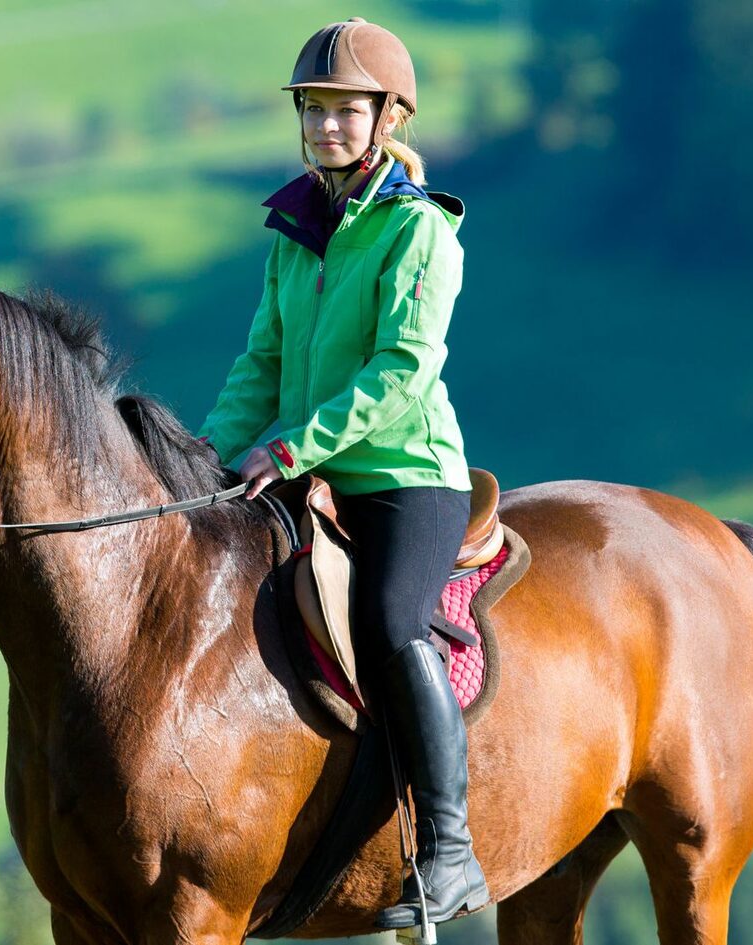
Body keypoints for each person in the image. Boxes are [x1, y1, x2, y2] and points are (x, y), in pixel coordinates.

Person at [195, 18, 488, 930]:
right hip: (307, 466)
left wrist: (285, 450)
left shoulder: (421, 231)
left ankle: (450, 850)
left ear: (387, 117)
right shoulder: (295, 231)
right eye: (313, 110)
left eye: (343, 111)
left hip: (405, 472)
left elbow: (401, 374)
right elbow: (261, 362)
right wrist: (201, 467)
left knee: (395, 620)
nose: (325, 127)